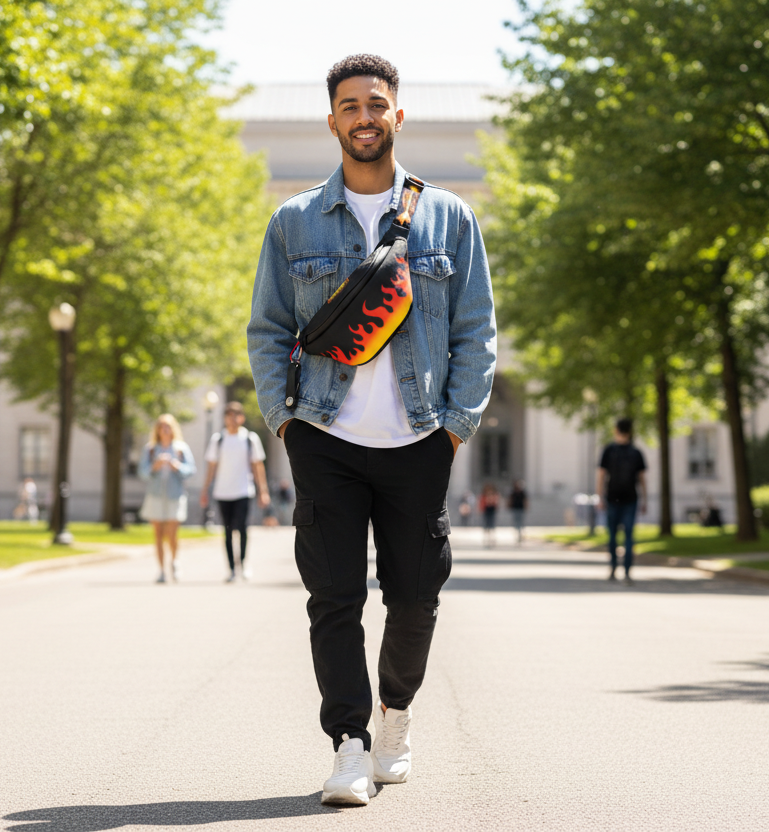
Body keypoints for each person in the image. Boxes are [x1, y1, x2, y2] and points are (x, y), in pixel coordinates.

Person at [246, 55, 496, 806]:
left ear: (397, 115)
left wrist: (455, 426)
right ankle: (349, 744)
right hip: (325, 434)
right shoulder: (294, 222)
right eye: (350, 106)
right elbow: (268, 330)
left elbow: (478, 330)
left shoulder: (447, 216)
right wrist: (286, 421)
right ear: (332, 121)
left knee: (417, 596)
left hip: (420, 438)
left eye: (376, 104)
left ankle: (395, 714)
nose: (364, 117)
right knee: (334, 596)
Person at [200, 401, 269, 582]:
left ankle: (244, 563)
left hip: (244, 491)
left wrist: (263, 491)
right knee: (228, 531)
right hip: (223, 492)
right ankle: (231, 568)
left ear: (241, 417)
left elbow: (257, 466)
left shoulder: (250, 438)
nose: (231, 419)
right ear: (224, 418)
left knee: (242, 528)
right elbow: (211, 468)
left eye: (235, 415)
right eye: (228, 415)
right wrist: (205, 490)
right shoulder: (218, 440)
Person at [138, 414, 196, 583]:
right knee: (158, 533)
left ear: (172, 429)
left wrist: (176, 466)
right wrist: (154, 467)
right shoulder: (150, 449)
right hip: (156, 495)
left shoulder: (180, 448)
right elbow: (142, 473)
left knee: (172, 532)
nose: (164, 429)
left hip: (175, 495)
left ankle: (175, 561)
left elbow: (191, 470)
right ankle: (162, 570)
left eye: (167, 426)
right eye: (161, 426)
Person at [597, 417, 648, 586]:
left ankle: (615, 568)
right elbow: (642, 479)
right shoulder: (635, 452)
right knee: (627, 536)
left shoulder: (609, 450)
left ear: (616, 430)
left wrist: (599, 497)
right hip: (628, 498)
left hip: (615, 498)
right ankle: (625, 571)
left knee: (614, 536)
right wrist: (645, 499)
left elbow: (601, 476)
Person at [479, 483, 499, 548]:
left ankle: (492, 538)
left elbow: (496, 503)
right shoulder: (484, 496)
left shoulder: (494, 495)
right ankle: (486, 538)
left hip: (492, 511)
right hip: (486, 511)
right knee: (486, 525)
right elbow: (482, 503)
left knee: (492, 525)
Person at [508, 479, 529, 544]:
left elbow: (525, 500)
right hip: (515, 508)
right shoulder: (513, 492)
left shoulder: (522, 492)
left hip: (520, 508)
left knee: (521, 521)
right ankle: (517, 532)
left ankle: (520, 533)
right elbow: (510, 500)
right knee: (516, 521)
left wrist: (526, 507)